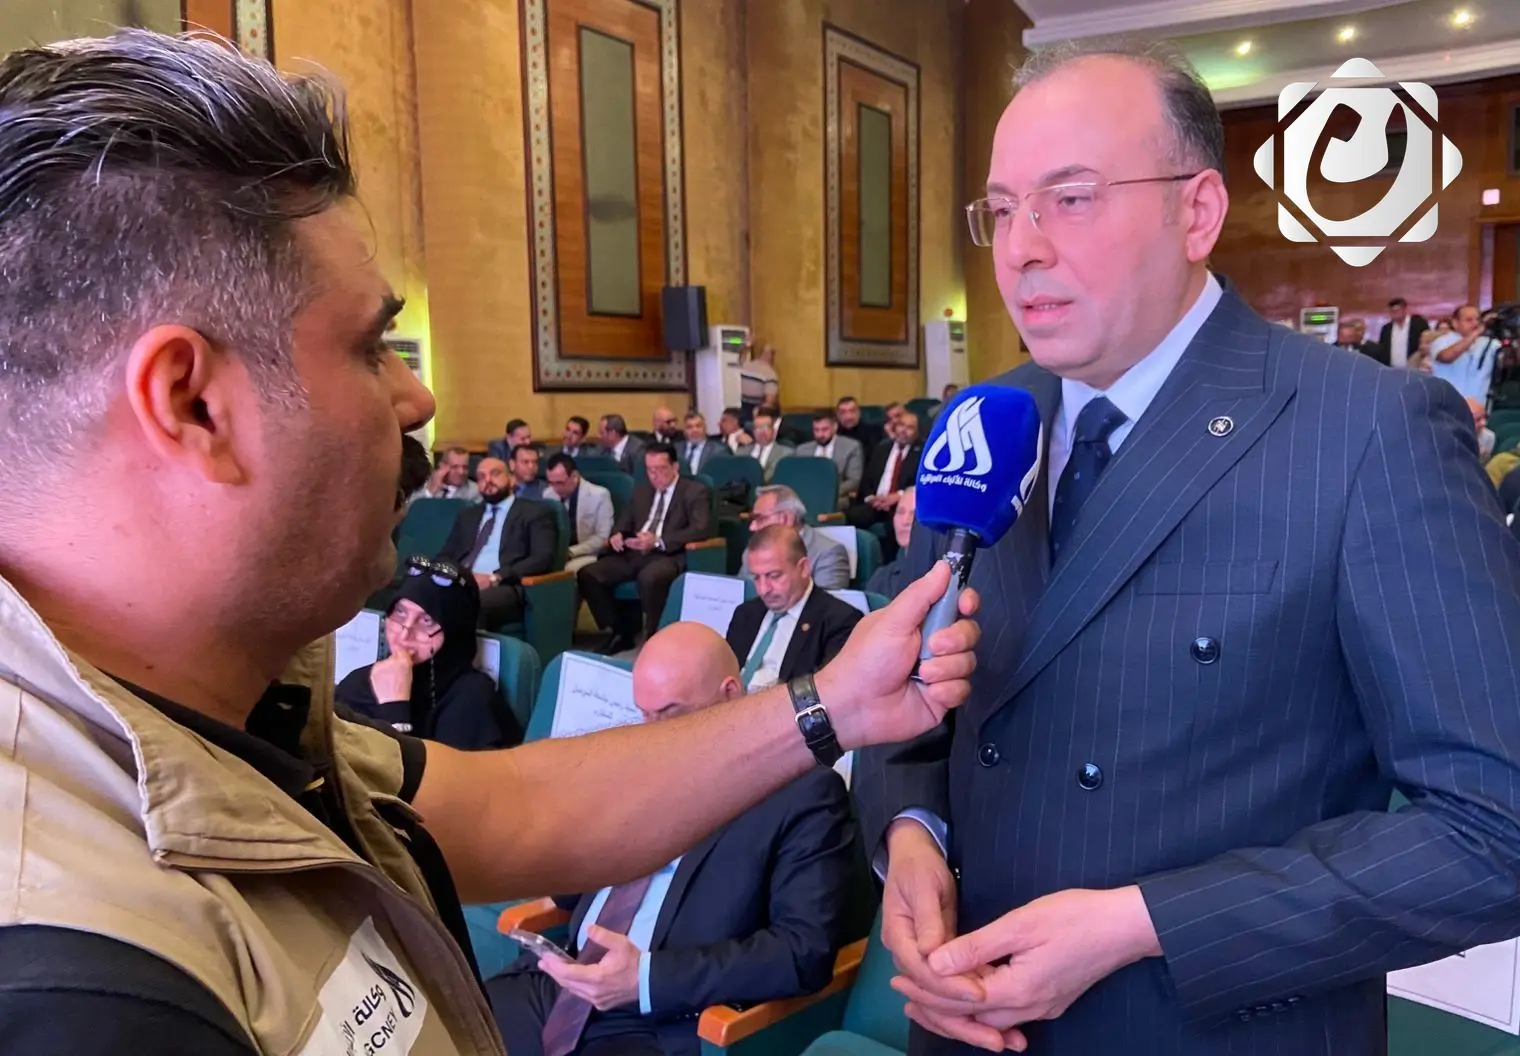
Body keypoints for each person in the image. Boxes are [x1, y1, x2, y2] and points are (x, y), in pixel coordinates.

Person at [0, 31, 982, 1056]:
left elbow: (518, 810)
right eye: (371, 346)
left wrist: (834, 702)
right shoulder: (80, 991)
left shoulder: (220, 703)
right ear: (193, 404)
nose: (417, 396)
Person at [857, 36, 1520, 1056]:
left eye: (1070, 198)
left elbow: (1494, 830)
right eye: (1002, 207)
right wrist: (911, 834)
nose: (1020, 247)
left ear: (1197, 212)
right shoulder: (983, 421)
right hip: (964, 1019)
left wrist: (1144, 925)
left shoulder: (1365, 430)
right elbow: (912, 703)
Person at [486, 620, 867, 1056]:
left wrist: (645, 979)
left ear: (730, 694)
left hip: (664, 1016)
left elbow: (802, 952)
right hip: (568, 979)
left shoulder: (805, 794)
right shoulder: (638, 765)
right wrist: (581, 819)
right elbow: (570, 890)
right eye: (644, 714)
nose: (653, 733)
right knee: (445, 1027)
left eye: (669, 714)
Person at [337, 557, 524, 750]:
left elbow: (426, 771)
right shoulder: (361, 681)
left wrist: (395, 710)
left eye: (426, 621)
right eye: (400, 612)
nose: (405, 634)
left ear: (454, 632)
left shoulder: (472, 699)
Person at [577, 444, 711, 652]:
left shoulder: (694, 491)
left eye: (661, 469)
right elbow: (624, 522)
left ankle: (653, 634)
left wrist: (658, 541)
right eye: (650, 470)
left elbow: (700, 529)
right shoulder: (641, 490)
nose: (655, 476)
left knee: (650, 578)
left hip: (667, 554)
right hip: (634, 552)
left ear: (675, 467)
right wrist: (618, 535)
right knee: (589, 574)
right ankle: (620, 630)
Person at [727, 526, 862, 692]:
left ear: (803, 568)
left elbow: (828, 692)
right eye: (756, 578)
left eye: (774, 576)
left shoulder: (839, 621)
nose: (763, 589)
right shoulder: (745, 614)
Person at [437, 456, 557, 629]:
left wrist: (495, 577)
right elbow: (446, 555)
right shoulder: (468, 515)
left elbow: (542, 558)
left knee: (465, 603)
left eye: (495, 474)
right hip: (462, 581)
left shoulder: (535, 513)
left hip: (506, 585)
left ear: (512, 479)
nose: (488, 480)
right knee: (418, 596)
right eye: (481, 477)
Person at [740, 485, 850, 590]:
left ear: (786, 518)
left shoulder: (827, 554)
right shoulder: (752, 550)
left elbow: (826, 603)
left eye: (760, 519)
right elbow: (741, 594)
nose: (752, 527)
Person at [544, 453, 614, 575]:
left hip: (587, 553)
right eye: (551, 482)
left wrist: (571, 552)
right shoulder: (548, 494)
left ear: (574, 476)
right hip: (557, 554)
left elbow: (602, 537)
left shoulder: (599, 495)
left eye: (559, 483)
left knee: (566, 570)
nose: (555, 488)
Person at [1430, 305, 1501, 404]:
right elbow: (1446, 357)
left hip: (1478, 406)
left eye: (1478, 319)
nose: (1475, 323)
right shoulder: (1442, 341)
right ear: (1455, 323)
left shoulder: (1490, 343)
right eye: (1469, 320)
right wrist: (1475, 333)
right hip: (1447, 405)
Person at [797, 410, 865, 509]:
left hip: (836, 497)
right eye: (816, 430)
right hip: (806, 497)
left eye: (825, 429)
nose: (820, 434)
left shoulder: (851, 447)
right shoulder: (802, 450)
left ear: (835, 427)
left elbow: (854, 480)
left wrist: (829, 492)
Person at [864, 485, 915, 598]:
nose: (905, 521)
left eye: (914, 514)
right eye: (900, 512)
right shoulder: (882, 578)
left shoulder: (945, 577)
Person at [1378, 297, 1428, 369]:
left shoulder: (1418, 324)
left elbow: (1427, 342)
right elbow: (1382, 349)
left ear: (1404, 309)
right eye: (1392, 311)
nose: (1395, 313)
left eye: (1397, 310)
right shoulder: (1386, 329)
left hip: (1414, 368)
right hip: (1392, 369)